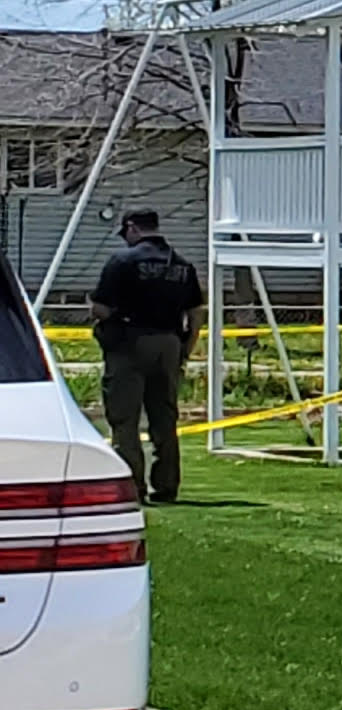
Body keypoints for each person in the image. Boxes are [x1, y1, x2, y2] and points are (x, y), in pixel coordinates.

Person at [87, 207, 203, 504]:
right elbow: (195, 313)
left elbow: (101, 308)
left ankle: (131, 486)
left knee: (124, 419)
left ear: (132, 228)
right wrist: (185, 349)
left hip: (129, 344)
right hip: (169, 343)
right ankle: (166, 485)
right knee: (164, 418)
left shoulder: (122, 261)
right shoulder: (181, 264)